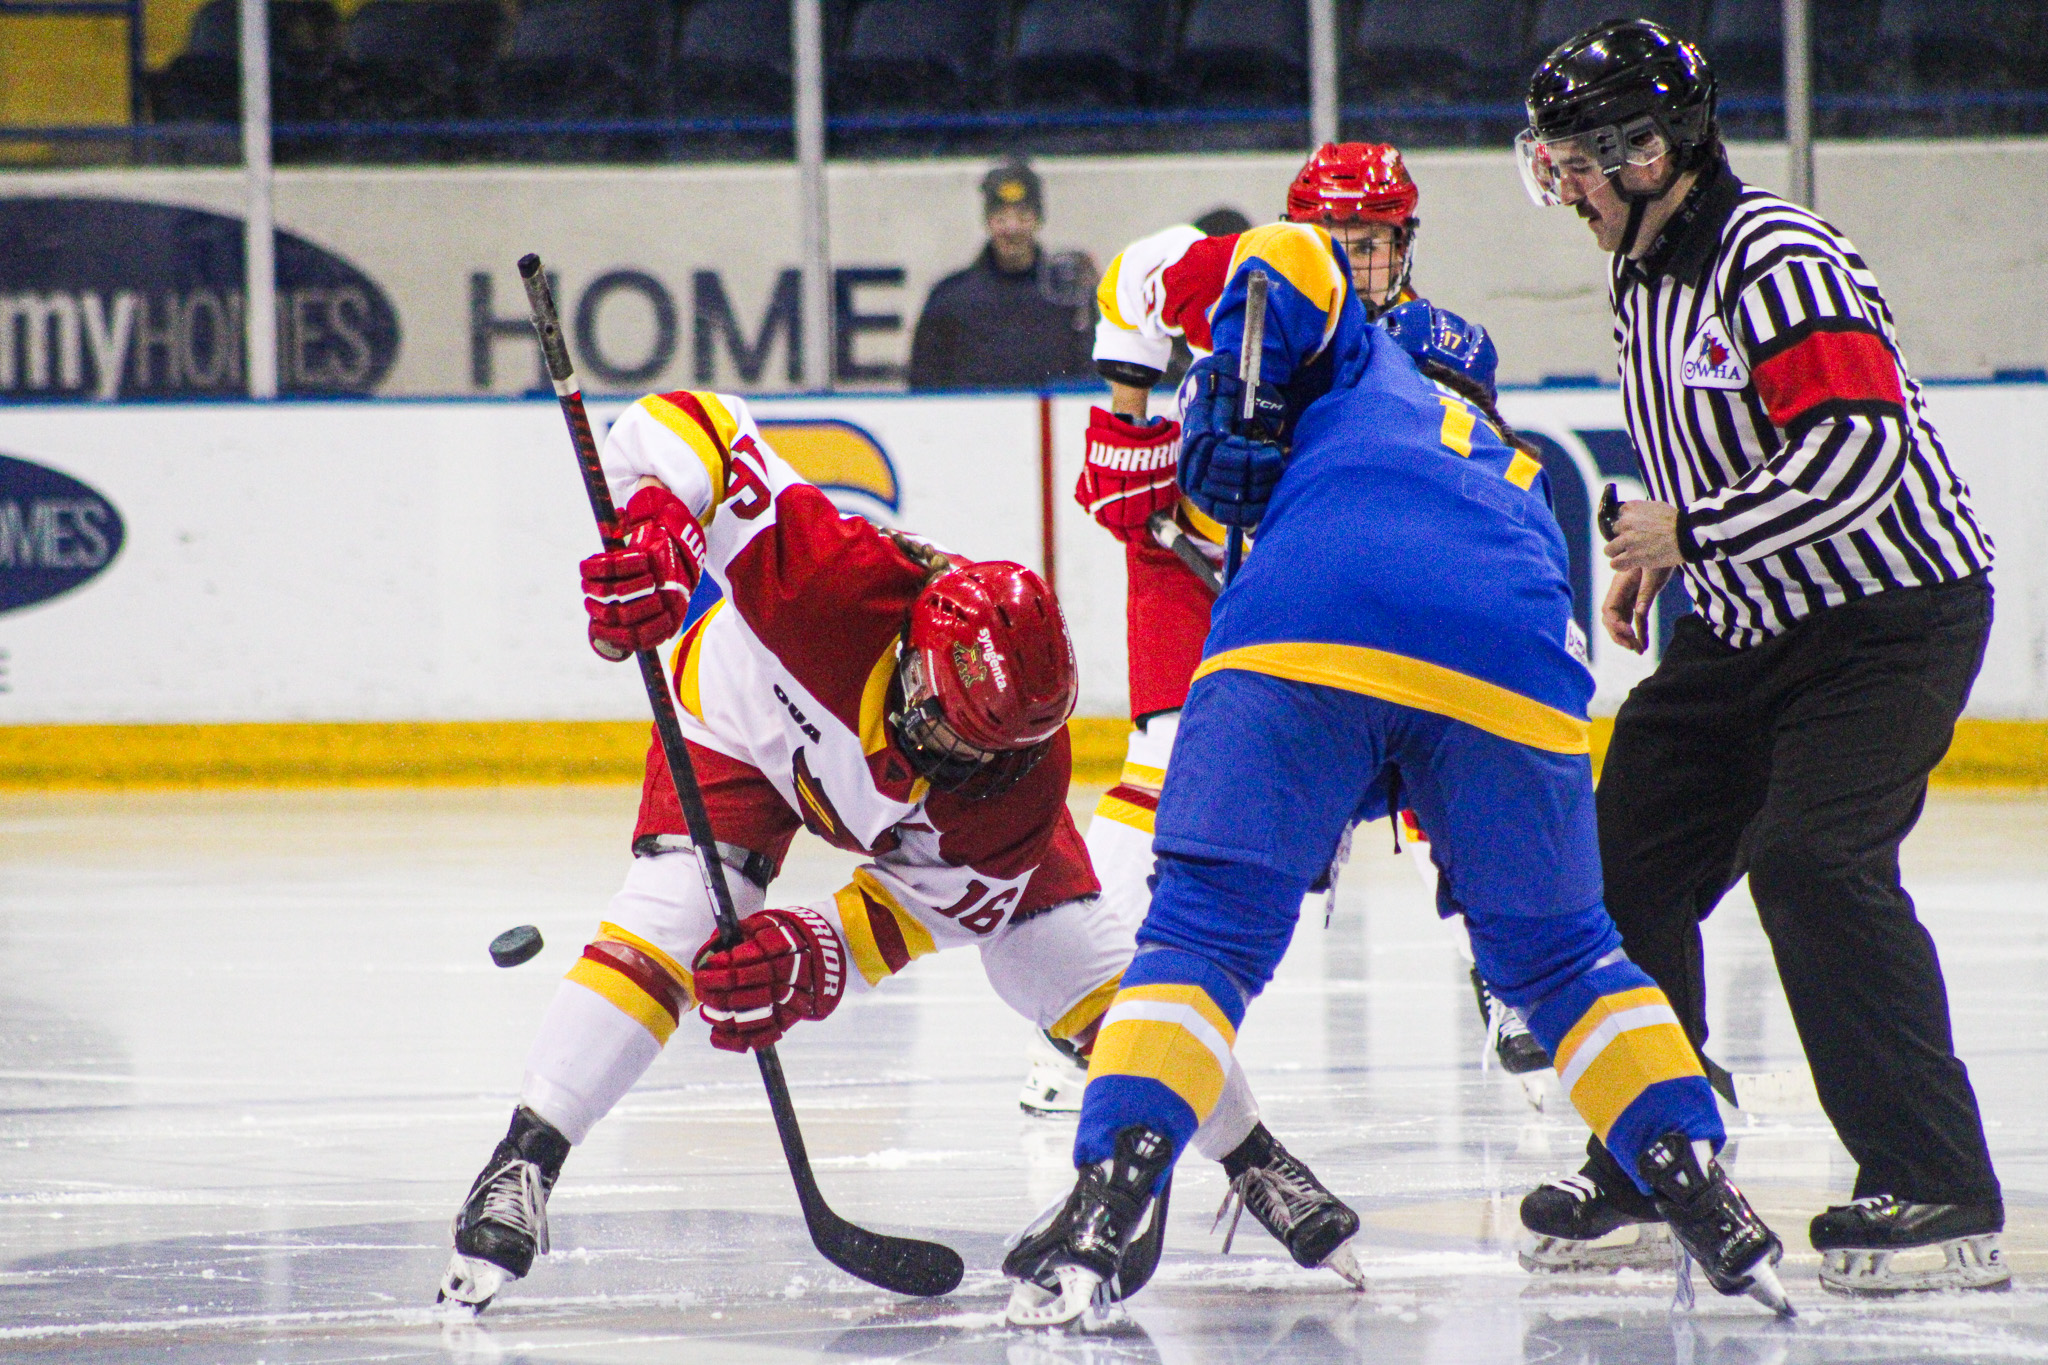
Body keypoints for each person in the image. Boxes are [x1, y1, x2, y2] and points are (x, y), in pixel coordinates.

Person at [1002, 223, 1793, 1327]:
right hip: (1513, 646)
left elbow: (1284, 259)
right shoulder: (1512, 467)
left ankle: (1108, 1196)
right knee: (1567, 959)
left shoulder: (1356, 362)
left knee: (1201, 941)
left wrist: (1236, 400)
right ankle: (1700, 1187)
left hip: (1313, 619)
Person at [434, 388, 1361, 1312]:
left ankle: (1254, 1156)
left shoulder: (1012, 783)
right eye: (944, 722)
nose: (947, 753)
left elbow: (915, 910)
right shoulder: (828, 576)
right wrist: (660, 531)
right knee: (670, 917)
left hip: (892, 819)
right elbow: (689, 423)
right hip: (734, 730)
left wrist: (807, 954)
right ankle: (522, 1161)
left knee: (1072, 965)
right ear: (916, 647)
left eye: (977, 746)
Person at [1511, 19, 2005, 1297]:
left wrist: (1695, 533)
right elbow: (1716, 443)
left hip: (1886, 619)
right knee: (1613, 863)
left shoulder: (1774, 258)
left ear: (1649, 152)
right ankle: (1652, 1154)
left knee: (1811, 863)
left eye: (1576, 162)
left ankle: (1938, 1183)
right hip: (1743, 628)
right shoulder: (1639, 270)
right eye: (1554, 162)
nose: (1562, 187)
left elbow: (1859, 447)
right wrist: (1663, 555)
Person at [1059, 143, 1550, 1110]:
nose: (1358, 261)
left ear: (1406, 243)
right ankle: (1088, 1007)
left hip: (1341, 579)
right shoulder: (1240, 273)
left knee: (1444, 759)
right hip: (1200, 568)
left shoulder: (1441, 346)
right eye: (1338, 239)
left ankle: (1510, 981)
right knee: (1165, 765)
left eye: (1376, 242)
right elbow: (1135, 276)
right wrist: (1131, 415)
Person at [907, 158, 1096, 391]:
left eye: (1023, 215)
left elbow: (1089, 383)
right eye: (1001, 217)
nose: (1012, 229)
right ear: (987, 220)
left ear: (1038, 219)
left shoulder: (1069, 297)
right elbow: (923, 389)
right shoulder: (950, 300)